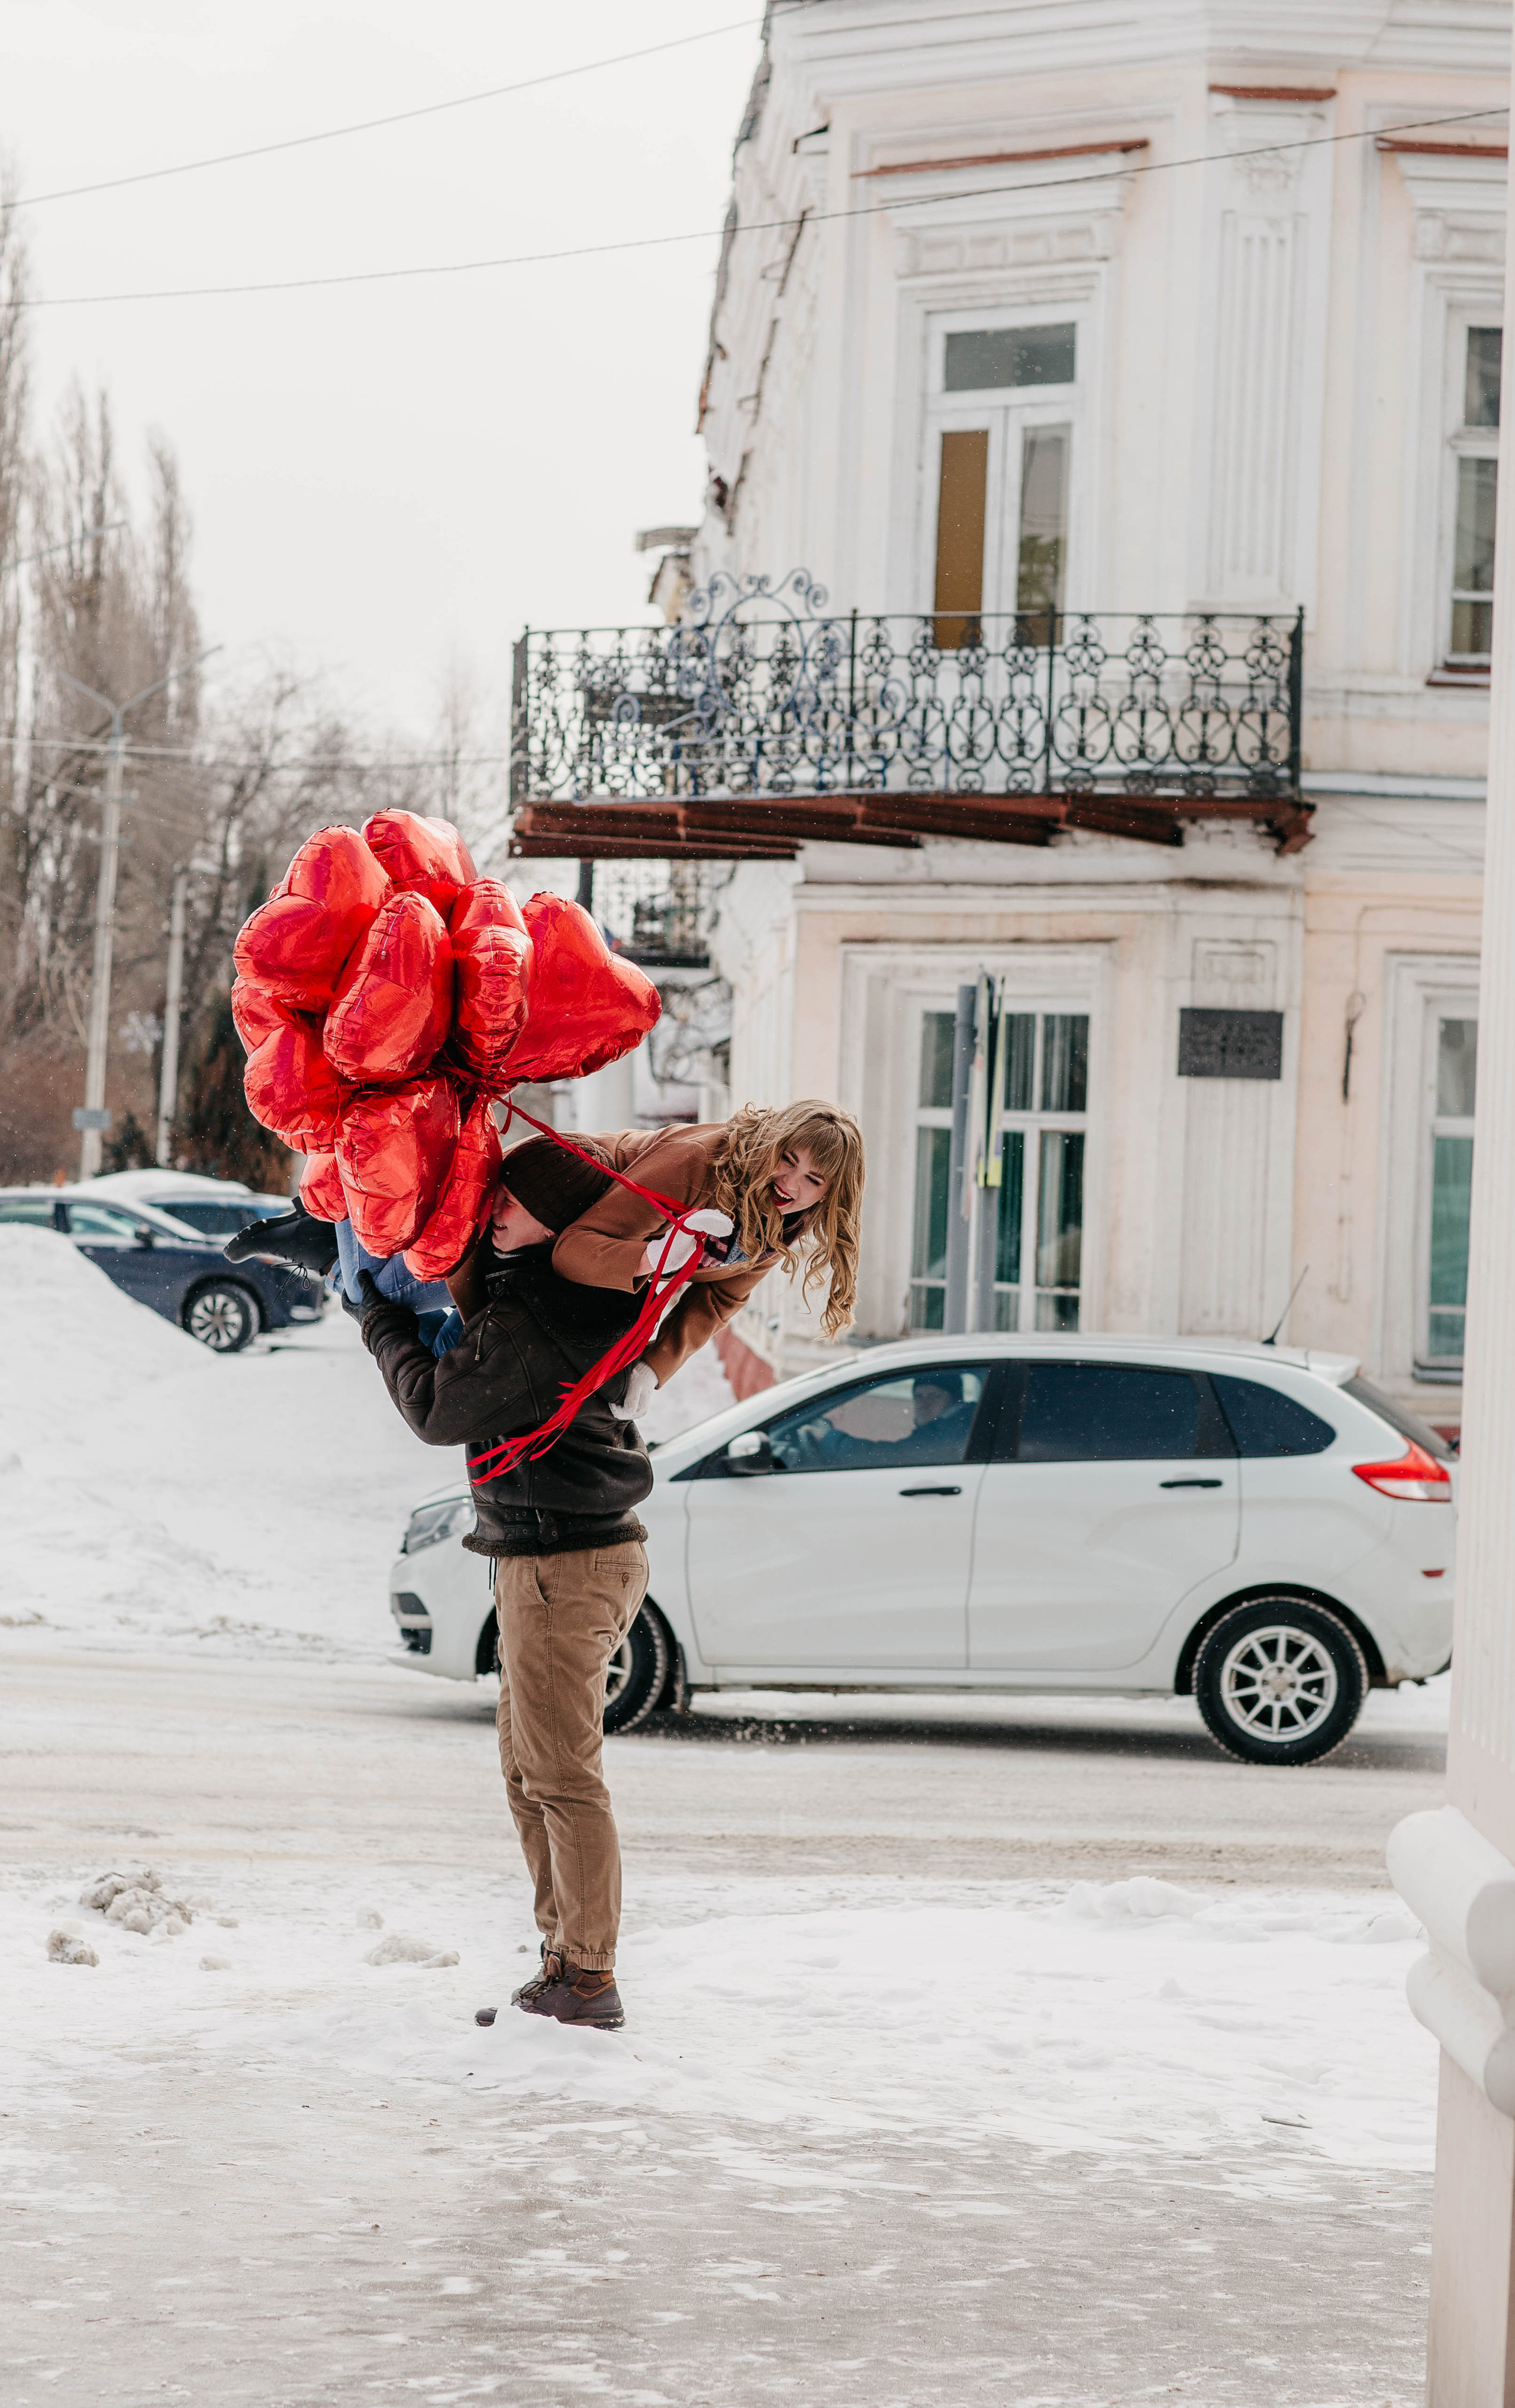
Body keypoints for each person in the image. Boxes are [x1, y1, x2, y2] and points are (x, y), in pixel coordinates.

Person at [354, 1134, 655, 2034]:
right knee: (530, 1772)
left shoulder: (543, 1314)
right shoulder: (533, 1288)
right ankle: (563, 1955)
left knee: (561, 1774)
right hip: (547, 1554)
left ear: (559, 1220)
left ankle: (589, 1974)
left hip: (567, 1559)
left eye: (510, 1205)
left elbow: (441, 1408)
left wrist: (380, 1326)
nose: (492, 1215)